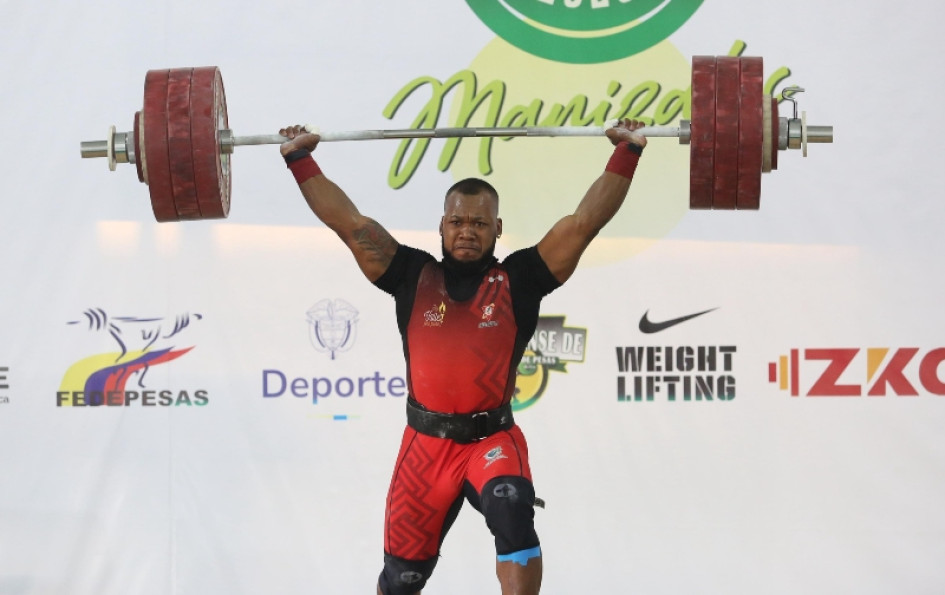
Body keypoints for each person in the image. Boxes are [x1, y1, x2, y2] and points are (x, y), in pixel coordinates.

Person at [278, 119, 648, 595]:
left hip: (489, 442)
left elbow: (584, 224)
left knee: (512, 511)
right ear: (441, 226)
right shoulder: (411, 273)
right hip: (424, 449)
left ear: (497, 228)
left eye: (478, 223)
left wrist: (628, 152)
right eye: (457, 221)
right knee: (400, 580)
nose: (467, 232)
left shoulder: (521, 280)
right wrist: (298, 156)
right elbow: (348, 223)